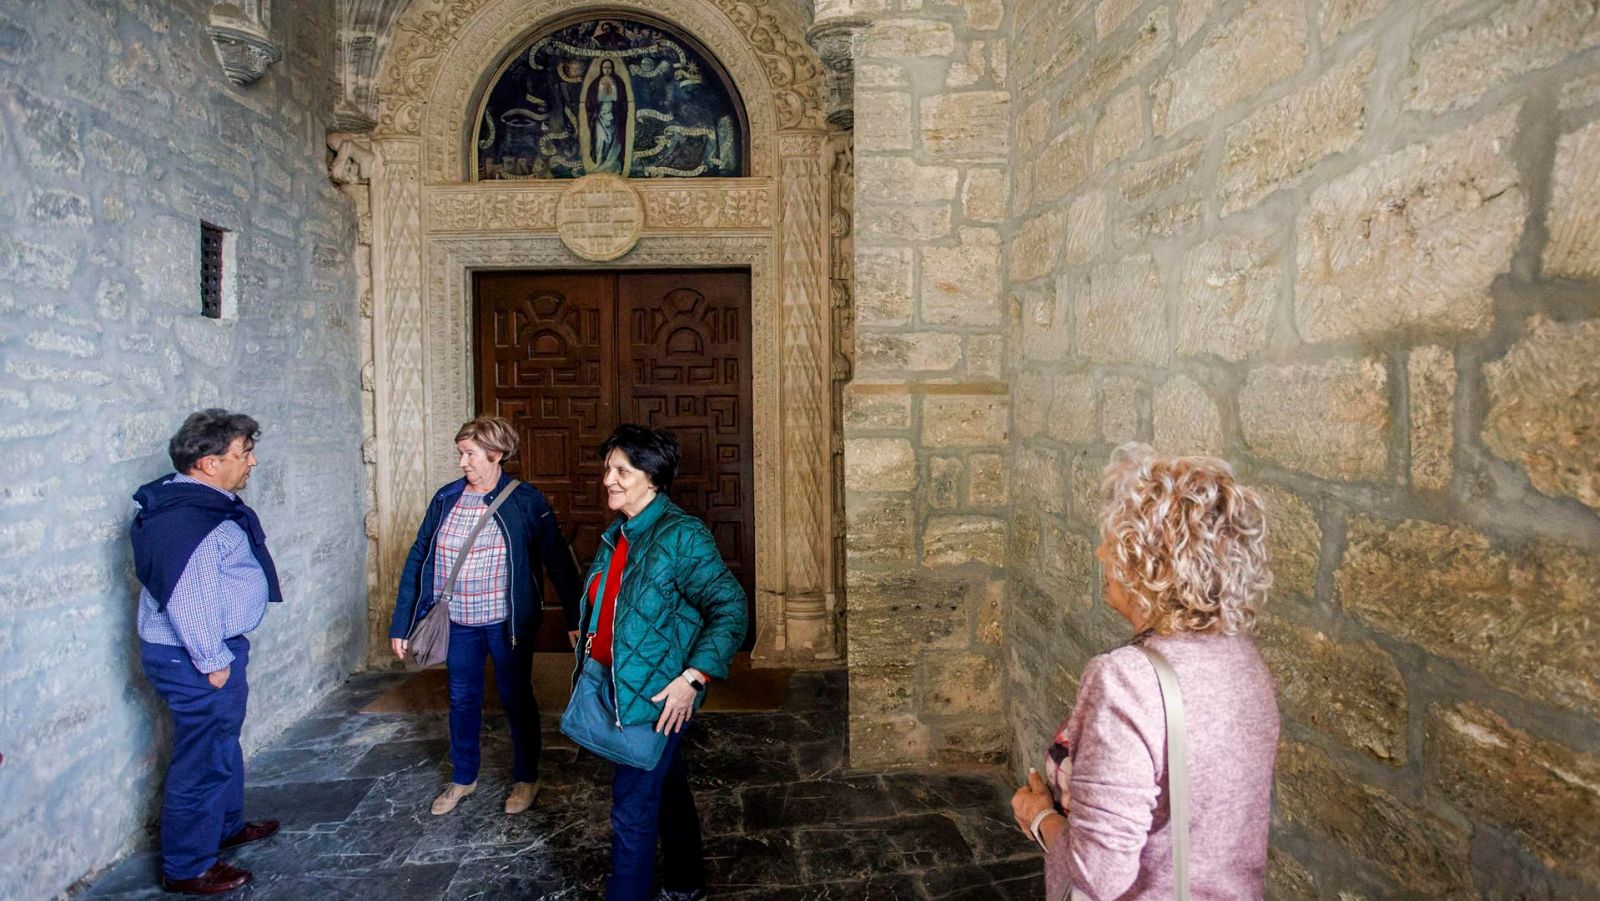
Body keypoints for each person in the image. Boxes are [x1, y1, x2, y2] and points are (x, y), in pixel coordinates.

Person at [1010, 443, 1279, 899]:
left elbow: (1100, 874)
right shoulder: (1244, 661)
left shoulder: (1126, 681)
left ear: (1147, 563)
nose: (1101, 553)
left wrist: (1040, 818)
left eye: (1114, 543)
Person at [577, 425, 747, 901]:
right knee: (666, 787)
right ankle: (685, 882)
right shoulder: (620, 532)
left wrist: (693, 678)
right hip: (618, 684)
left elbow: (730, 607)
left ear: (652, 477)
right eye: (607, 469)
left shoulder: (681, 535)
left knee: (631, 813)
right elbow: (618, 599)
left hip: (655, 696)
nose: (608, 480)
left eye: (621, 471)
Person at [389, 415, 582, 816]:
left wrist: (575, 618)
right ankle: (463, 777)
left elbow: (558, 561)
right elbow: (419, 557)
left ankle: (526, 777)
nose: (462, 462)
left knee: (516, 697)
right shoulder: (446, 498)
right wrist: (402, 621)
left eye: (470, 454)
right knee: (461, 698)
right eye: (460, 454)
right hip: (458, 621)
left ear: (496, 454)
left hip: (506, 623)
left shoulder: (525, 501)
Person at [131, 409, 283, 895]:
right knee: (203, 759)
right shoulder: (189, 522)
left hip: (208, 650)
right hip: (197, 656)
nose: (252, 461)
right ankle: (187, 866)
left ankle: (224, 827)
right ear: (209, 463)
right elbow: (186, 598)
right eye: (244, 453)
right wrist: (213, 661)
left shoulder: (197, 504)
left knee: (221, 743)